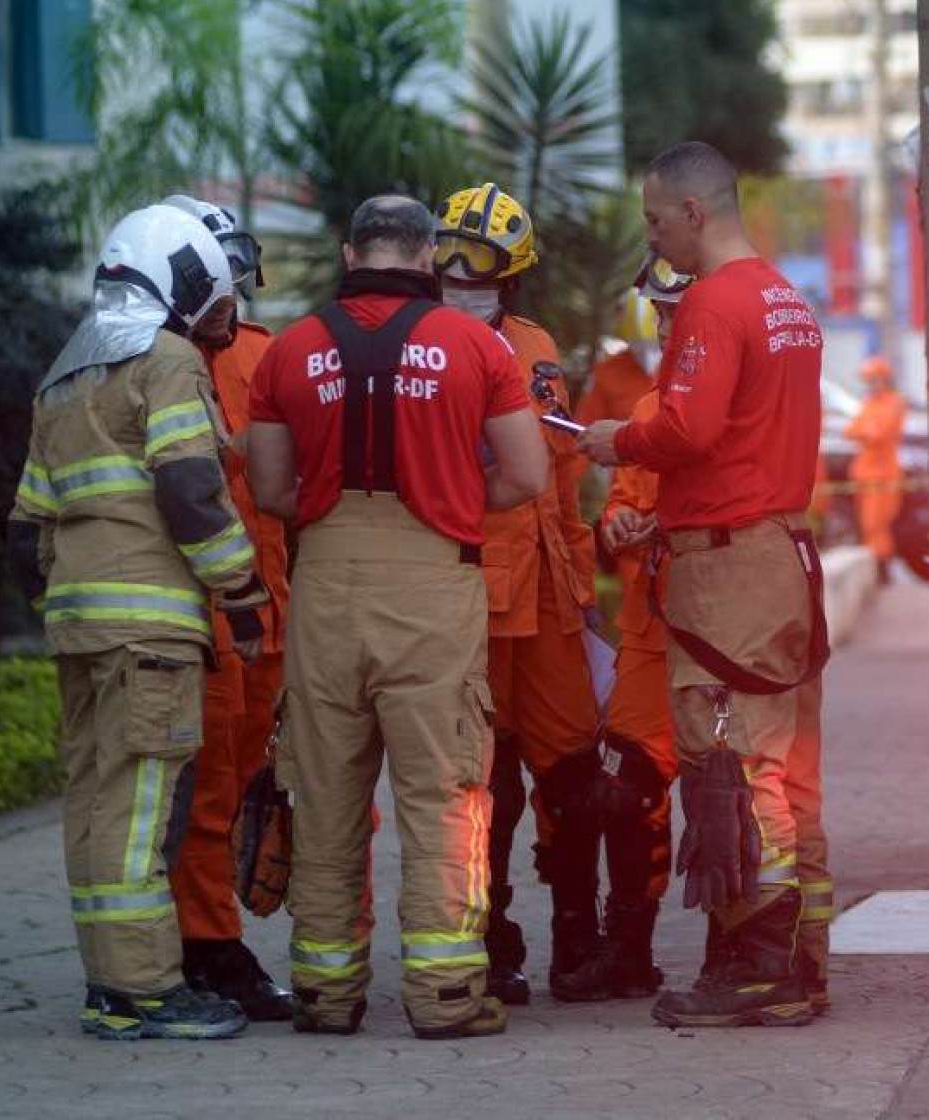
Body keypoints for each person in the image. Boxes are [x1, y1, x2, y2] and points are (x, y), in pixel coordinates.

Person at [245, 195, 548, 1040]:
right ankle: (446, 994)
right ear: (429, 257)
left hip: (326, 591)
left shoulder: (289, 351)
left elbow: (270, 494)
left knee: (328, 794)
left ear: (349, 253)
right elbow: (528, 477)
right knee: (444, 793)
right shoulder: (474, 347)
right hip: (431, 590)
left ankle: (324, 992)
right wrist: (450, 498)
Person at [579, 141, 832, 1028]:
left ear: (694, 211)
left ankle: (756, 969)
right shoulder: (783, 297)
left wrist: (618, 440)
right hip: (778, 553)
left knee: (731, 765)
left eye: (654, 219)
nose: (652, 236)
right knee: (782, 765)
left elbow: (687, 427)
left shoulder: (716, 305)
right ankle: (794, 961)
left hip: (729, 568)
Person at [9, 205, 270, 1040]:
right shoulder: (165, 361)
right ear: (180, 281)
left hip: (80, 625)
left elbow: (27, 526)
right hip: (150, 631)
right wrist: (242, 591)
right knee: (142, 807)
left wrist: (67, 602)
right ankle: (144, 992)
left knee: (94, 801)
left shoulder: (63, 375)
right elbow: (192, 489)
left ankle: (106, 982)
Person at [433, 182, 613, 1004]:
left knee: (574, 775)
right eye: (453, 262)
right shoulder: (425, 350)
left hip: (547, 598)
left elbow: (566, 475)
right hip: (471, 595)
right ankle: (488, 938)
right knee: (488, 785)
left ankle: (580, 936)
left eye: (483, 268)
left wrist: (583, 593)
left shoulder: (537, 346)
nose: (465, 277)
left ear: (513, 277)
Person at [148, 196, 295, 1022]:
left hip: (263, 610)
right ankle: (207, 946)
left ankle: (209, 941)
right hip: (198, 611)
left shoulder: (266, 356)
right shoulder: (151, 363)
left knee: (246, 787)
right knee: (202, 792)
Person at [589, 255, 696, 1000]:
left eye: (672, 312)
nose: (663, 327)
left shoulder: (737, 401)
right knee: (629, 787)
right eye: (657, 315)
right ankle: (629, 946)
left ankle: (753, 949)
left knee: (741, 791)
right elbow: (617, 502)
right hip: (649, 629)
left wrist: (663, 527)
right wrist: (618, 525)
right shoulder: (653, 404)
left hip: (720, 629)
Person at [845, 355, 908, 582]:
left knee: (877, 525)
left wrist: (866, 429)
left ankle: (883, 572)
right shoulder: (869, 403)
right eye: (868, 380)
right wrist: (866, 430)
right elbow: (851, 430)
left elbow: (878, 434)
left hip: (884, 476)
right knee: (867, 525)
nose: (870, 385)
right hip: (865, 473)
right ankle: (878, 572)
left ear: (885, 378)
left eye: (874, 379)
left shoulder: (894, 402)